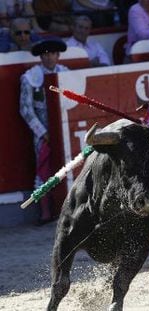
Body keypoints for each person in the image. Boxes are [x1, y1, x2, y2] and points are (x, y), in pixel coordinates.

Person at [19, 38, 69, 225]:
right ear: (41, 57)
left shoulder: (66, 74)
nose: (49, 57)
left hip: (64, 129)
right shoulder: (30, 77)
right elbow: (25, 109)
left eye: (52, 54)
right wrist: (43, 132)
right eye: (45, 54)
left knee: (68, 168)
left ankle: (68, 211)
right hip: (43, 134)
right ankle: (46, 213)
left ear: (58, 56)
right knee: (44, 171)